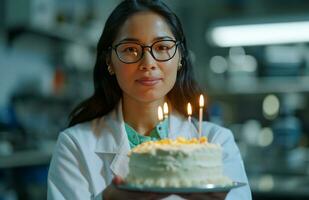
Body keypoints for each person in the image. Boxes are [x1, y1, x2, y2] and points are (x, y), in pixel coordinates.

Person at [47, 0, 252, 199]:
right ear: (110, 61)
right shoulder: (75, 145)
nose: (148, 63)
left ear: (180, 57)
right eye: (130, 49)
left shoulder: (217, 142)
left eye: (162, 47)